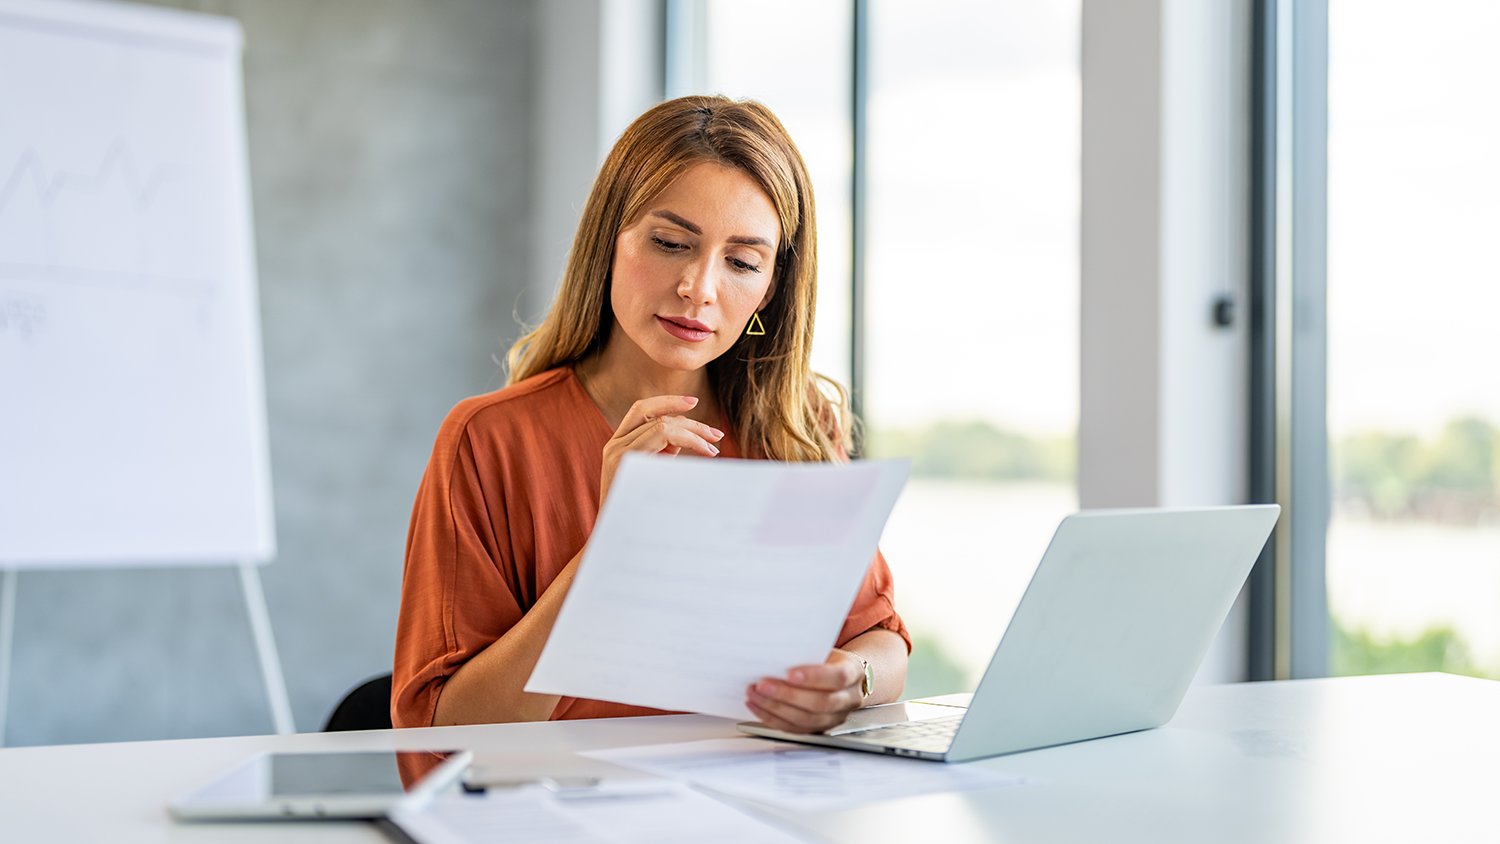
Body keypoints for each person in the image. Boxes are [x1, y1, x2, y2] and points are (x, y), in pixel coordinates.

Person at [391, 96, 909, 736]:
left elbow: (882, 644)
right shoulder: (488, 441)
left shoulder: (796, 425)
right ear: (608, 240)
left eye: (743, 262)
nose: (700, 287)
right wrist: (612, 551)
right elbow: (443, 728)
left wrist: (849, 682)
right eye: (669, 243)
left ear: (771, 287)